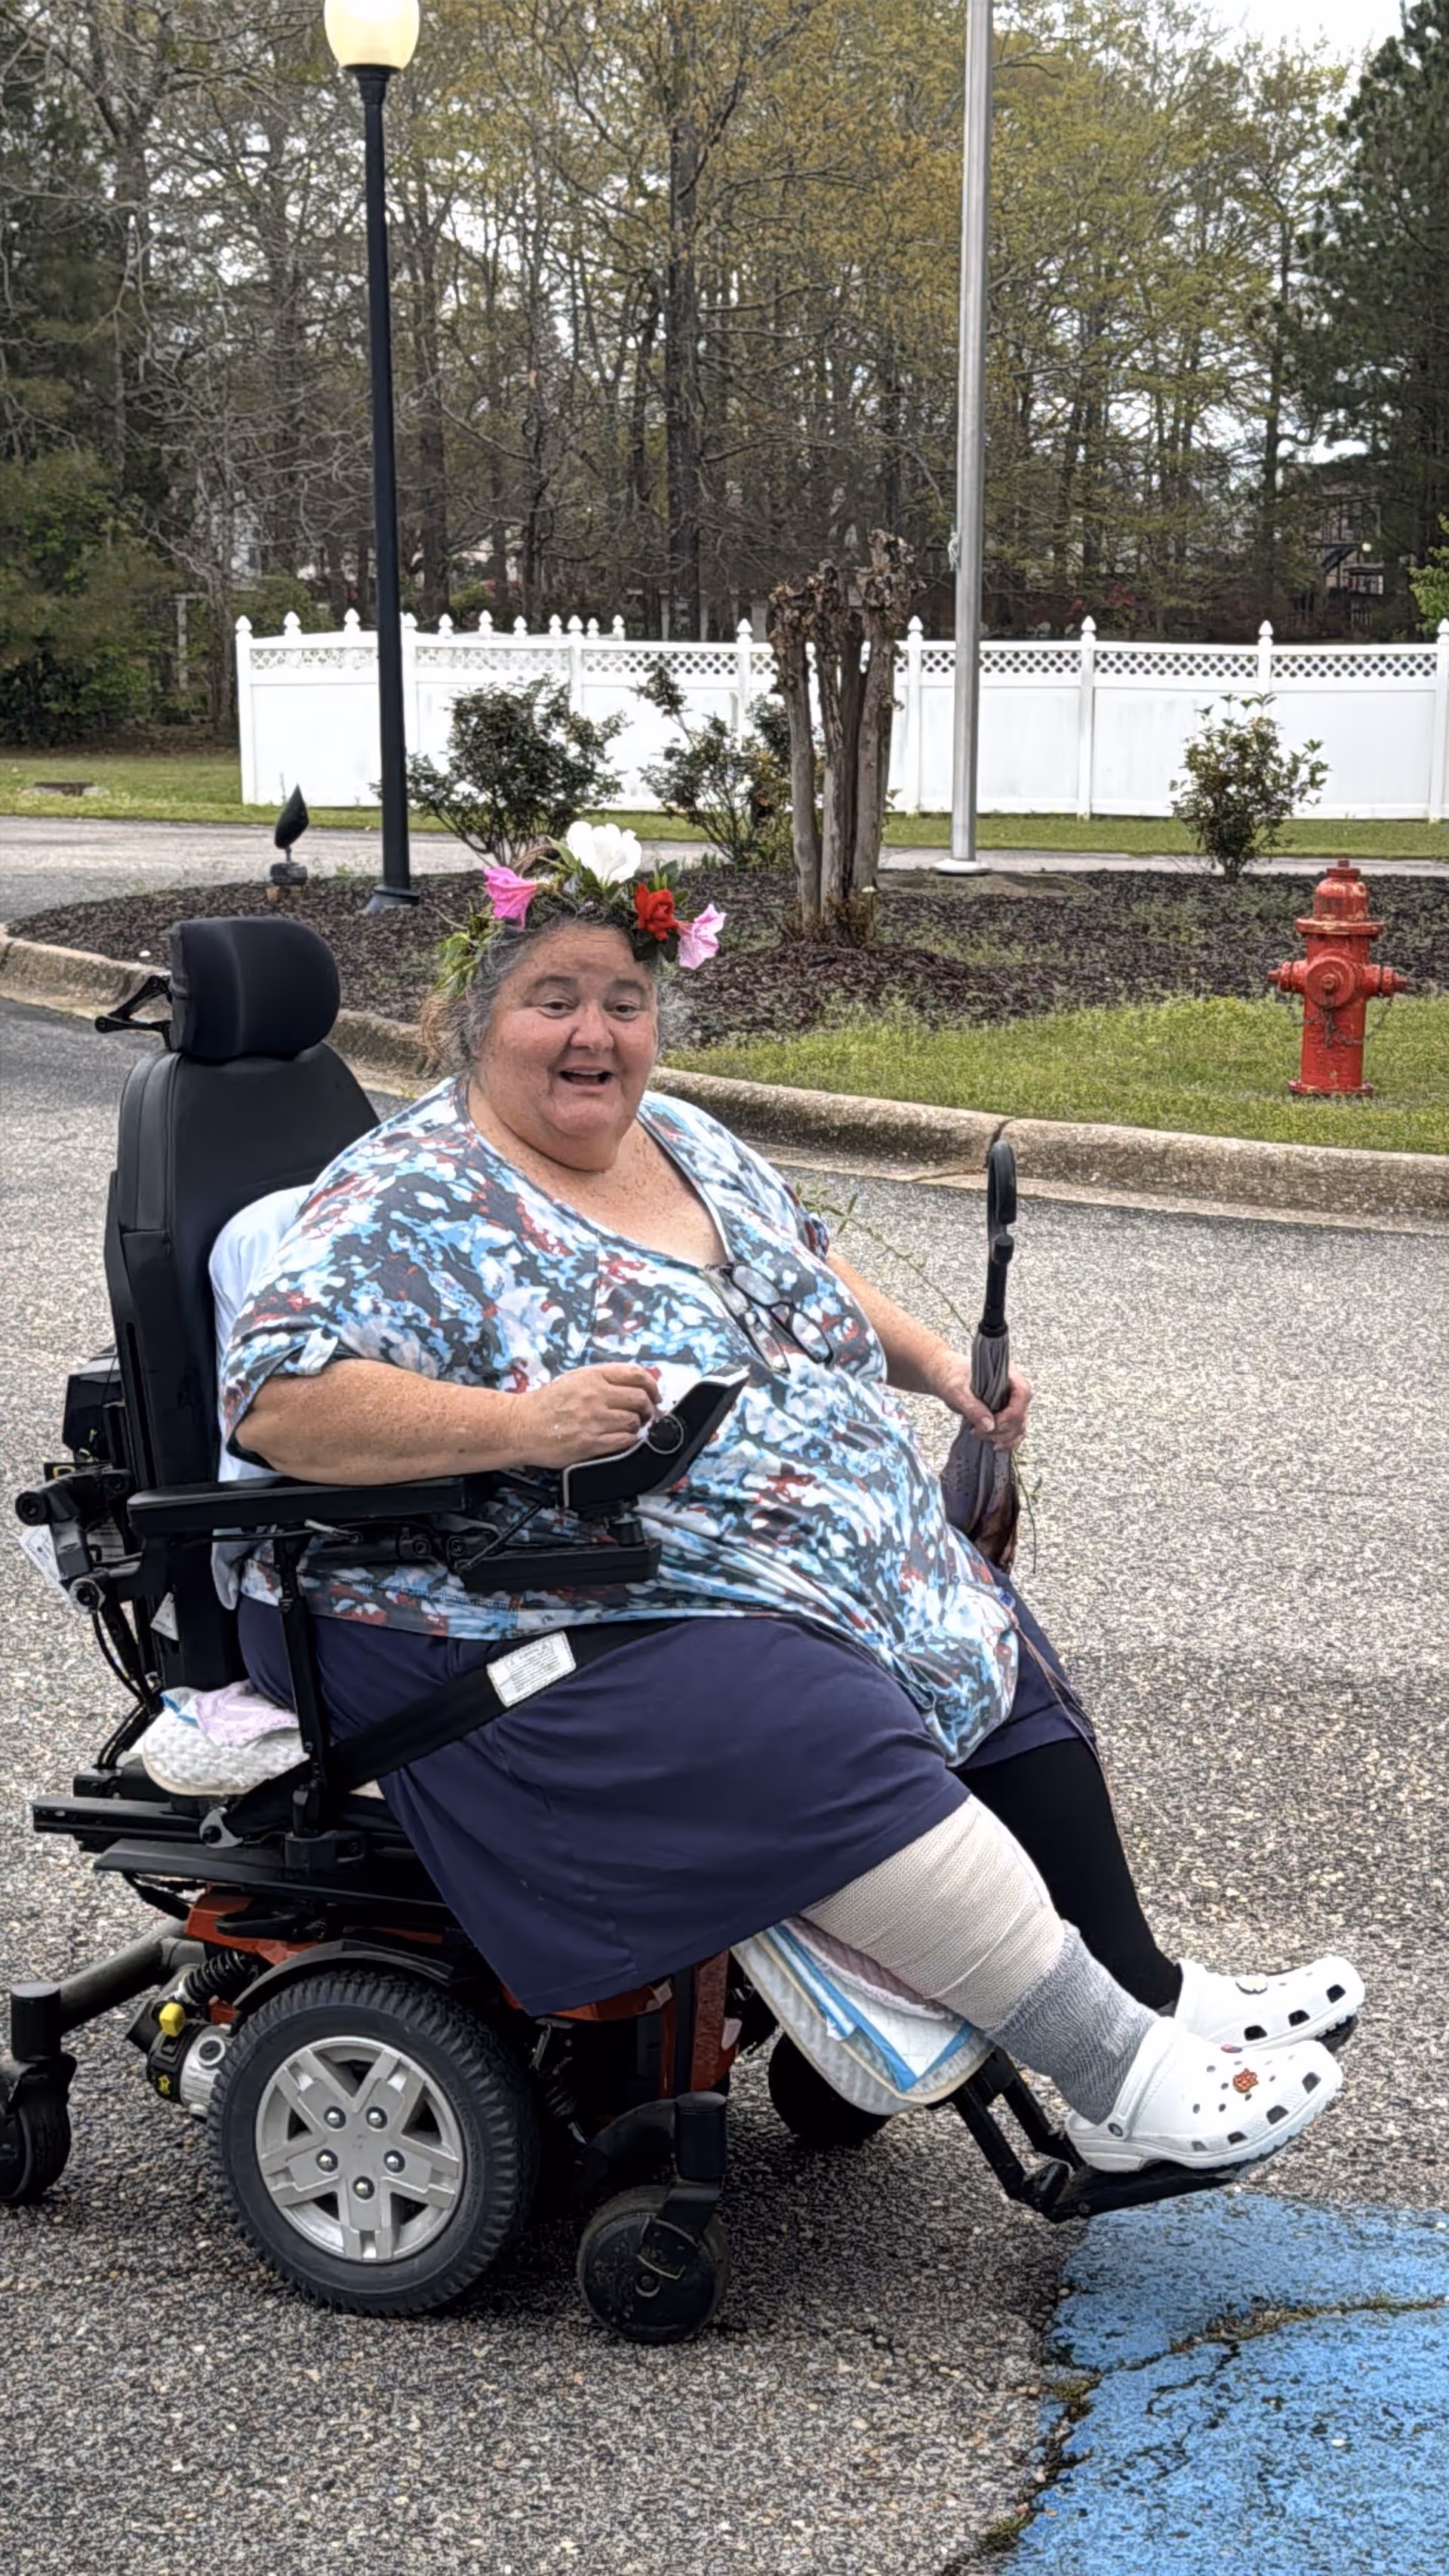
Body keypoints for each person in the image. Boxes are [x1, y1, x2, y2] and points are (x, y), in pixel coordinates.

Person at [219, 826, 1358, 2176]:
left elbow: (808, 1277)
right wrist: (521, 1424)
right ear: (474, 1021)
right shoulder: (410, 1191)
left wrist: (941, 1370)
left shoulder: (681, 1139)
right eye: (552, 1000)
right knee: (811, 1718)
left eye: (625, 1002)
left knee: (973, 1621)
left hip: (755, 1560)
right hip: (482, 1596)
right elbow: (275, 1402)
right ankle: (1118, 2083)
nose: (594, 1034)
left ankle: (1145, 1989)